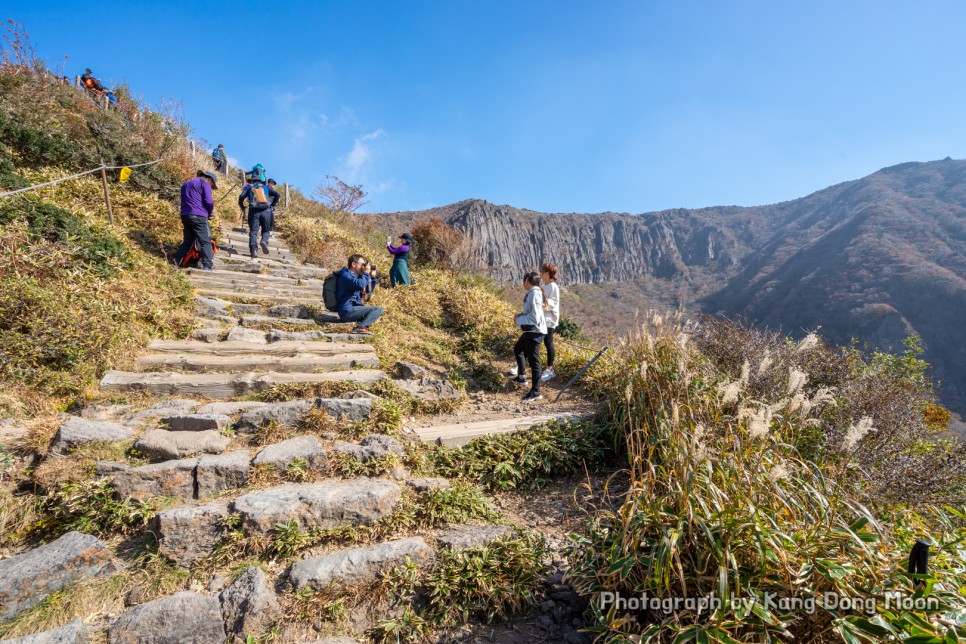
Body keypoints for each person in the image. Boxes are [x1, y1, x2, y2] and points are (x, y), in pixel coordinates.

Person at [509, 271, 547, 402]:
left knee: (534, 362)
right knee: (518, 349)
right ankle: (521, 377)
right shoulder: (533, 293)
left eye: (523, 280)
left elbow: (534, 317)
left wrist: (519, 319)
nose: (522, 282)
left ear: (527, 281)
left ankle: (536, 392)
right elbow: (531, 313)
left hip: (535, 332)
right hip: (530, 331)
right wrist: (520, 316)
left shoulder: (535, 293)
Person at [174, 171, 218, 271]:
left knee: (187, 242)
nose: (211, 186)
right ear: (210, 179)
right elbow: (209, 201)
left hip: (185, 214)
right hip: (198, 215)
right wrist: (210, 212)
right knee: (205, 241)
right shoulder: (205, 184)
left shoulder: (186, 183)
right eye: (212, 184)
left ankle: (175, 262)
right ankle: (207, 266)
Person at [335, 255, 383, 335]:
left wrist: (372, 277)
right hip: (347, 311)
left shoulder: (357, 277)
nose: (363, 267)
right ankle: (360, 328)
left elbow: (367, 290)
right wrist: (366, 273)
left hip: (353, 308)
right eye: (362, 265)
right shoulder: (345, 276)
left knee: (374, 312)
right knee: (377, 310)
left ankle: (362, 326)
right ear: (353, 264)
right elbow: (360, 285)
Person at [238, 178, 280, 258]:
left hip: (254, 211)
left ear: (252, 181)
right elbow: (277, 195)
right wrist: (272, 205)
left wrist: (242, 206)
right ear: (262, 181)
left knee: (254, 232)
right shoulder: (265, 187)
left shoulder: (249, 187)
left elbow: (241, 196)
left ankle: (254, 250)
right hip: (266, 211)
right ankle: (264, 240)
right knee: (266, 231)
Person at [539, 263, 561, 382]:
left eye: (542, 271)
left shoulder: (553, 286)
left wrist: (542, 305)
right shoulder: (544, 285)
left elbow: (553, 302)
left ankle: (550, 369)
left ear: (547, 273)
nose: (540, 273)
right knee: (543, 341)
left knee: (548, 342)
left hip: (549, 319)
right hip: (542, 318)